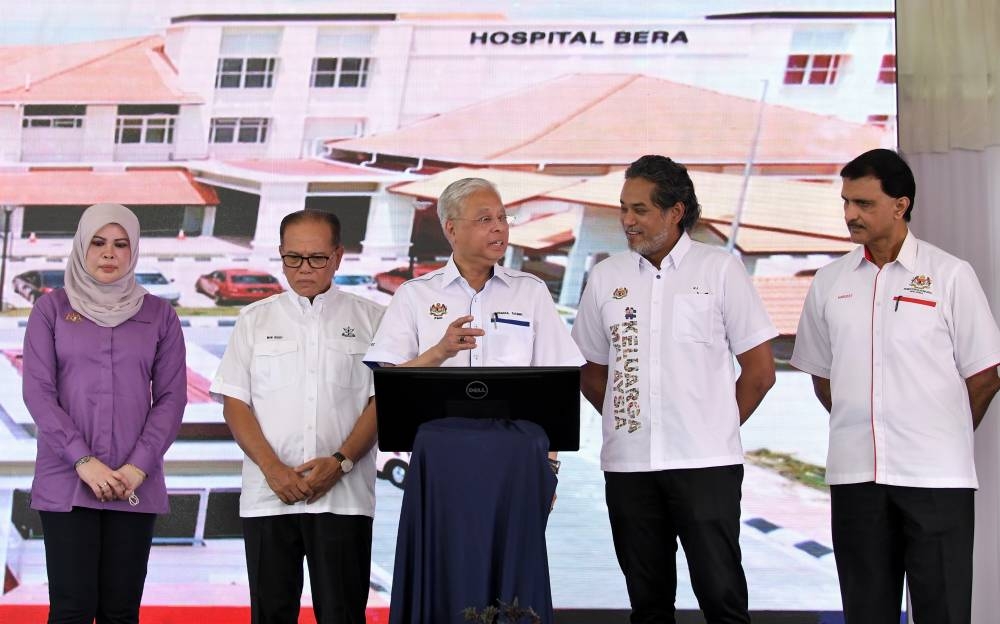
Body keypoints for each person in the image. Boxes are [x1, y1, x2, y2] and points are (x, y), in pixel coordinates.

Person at [790, 148, 1000, 623]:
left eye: (863, 204)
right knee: (866, 613)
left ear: (900, 205)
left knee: (942, 612)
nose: (850, 215)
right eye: (845, 202)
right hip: (856, 478)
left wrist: (940, 436)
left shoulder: (949, 276)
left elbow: (985, 375)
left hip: (936, 480)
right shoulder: (828, 282)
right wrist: (866, 423)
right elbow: (823, 377)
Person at [363, 177, 583, 623]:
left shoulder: (531, 292)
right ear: (451, 229)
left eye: (503, 218)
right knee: (443, 573)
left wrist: (551, 468)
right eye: (485, 219)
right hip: (442, 468)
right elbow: (388, 385)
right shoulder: (415, 296)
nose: (499, 228)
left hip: (517, 467)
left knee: (511, 579)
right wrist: (439, 352)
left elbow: (558, 385)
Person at [571, 155, 777, 624]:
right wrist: (632, 419)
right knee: (648, 603)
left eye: (639, 210)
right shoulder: (607, 276)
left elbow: (760, 371)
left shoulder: (719, 270)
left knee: (722, 597)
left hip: (706, 466)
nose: (626, 221)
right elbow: (591, 369)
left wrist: (712, 427)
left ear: (675, 211)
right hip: (629, 466)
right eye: (623, 208)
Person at [210, 210, 384, 624]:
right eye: (293, 258)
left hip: (344, 498)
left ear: (339, 256)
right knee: (271, 615)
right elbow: (235, 402)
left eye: (317, 258)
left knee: (343, 615)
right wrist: (273, 469)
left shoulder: (373, 319)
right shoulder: (254, 319)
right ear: (281, 256)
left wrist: (339, 463)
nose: (304, 269)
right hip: (270, 497)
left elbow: (383, 402)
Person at [21, 203, 187, 624]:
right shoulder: (51, 310)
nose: (109, 254)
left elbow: (171, 398)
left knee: (120, 610)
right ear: (82, 247)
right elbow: (38, 393)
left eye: (120, 244)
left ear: (134, 252)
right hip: (67, 480)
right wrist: (83, 460)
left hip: (134, 483)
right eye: (98, 243)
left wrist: (137, 468)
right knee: (71, 609)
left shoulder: (160, 315)